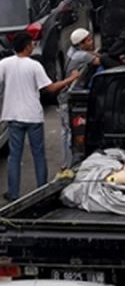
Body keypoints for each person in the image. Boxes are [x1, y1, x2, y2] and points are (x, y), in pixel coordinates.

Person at [1, 32, 79, 200]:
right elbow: (50, 88)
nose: (33, 46)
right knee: (38, 155)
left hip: (13, 116)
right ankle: (41, 191)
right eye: (31, 44)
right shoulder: (34, 66)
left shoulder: (4, 64)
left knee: (14, 156)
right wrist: (70, 79)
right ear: (27, 46)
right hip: (33, 116)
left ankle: (13, 192)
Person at [59, 28, 99, 174]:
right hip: (68, 99)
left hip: (64, 97)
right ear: (81, 44)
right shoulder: (81, 56)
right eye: (88, 40)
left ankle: (66, 163)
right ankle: (67, 165)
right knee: (69, 132)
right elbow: (98, 60)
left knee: (66, 132)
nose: (92, 42)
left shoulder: (72, 51)